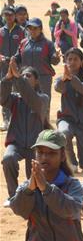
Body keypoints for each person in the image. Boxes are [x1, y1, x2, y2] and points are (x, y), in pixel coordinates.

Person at [2, 61, 50, 204]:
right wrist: (8, 79)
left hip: (36, 146)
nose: (24, 77)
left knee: (33, 174)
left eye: (28, 75)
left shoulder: (43, 98)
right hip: (16, 143)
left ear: (36, 81)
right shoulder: (15, 99)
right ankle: (13, 197)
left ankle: (32, 198)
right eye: (22, 75)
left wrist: (19, 79)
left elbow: (33, 100)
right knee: (8, 159)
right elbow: (2, 98)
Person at [54, 48, 83, 173]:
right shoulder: (61, 80)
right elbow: (58, 88)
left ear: (82, 62)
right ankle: (71, 162)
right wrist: (65, 79)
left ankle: (82, 162)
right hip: (67, 118)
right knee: (63, 132)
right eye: (69, 59)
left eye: (75, 59)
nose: (72, 62)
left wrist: (72, 78)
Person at [15, 18, 57, 105]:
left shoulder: (48, 43)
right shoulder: (23, 43)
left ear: (40, 29)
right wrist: (8, 59)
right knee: (25, 102)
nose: (32, 30)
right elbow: (17, 57)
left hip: (43, 78)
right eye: (30, 28)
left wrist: (56, 57)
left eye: (35, 28)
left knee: (43, 103)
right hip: (26, 77)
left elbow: (54, 61)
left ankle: (44, 119)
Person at [0, 6, 26, 130]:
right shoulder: (1, 32)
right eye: (6, 15)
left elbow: (23, 48)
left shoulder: (21, 31)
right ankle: (6, 120)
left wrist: (15, 59)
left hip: (18, 67)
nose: (9, 17)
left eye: (11, 15)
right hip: (4, 68)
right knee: (5, 92)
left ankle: (17, 119)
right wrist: (2, 58)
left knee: (18, 93)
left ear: (14, 16)